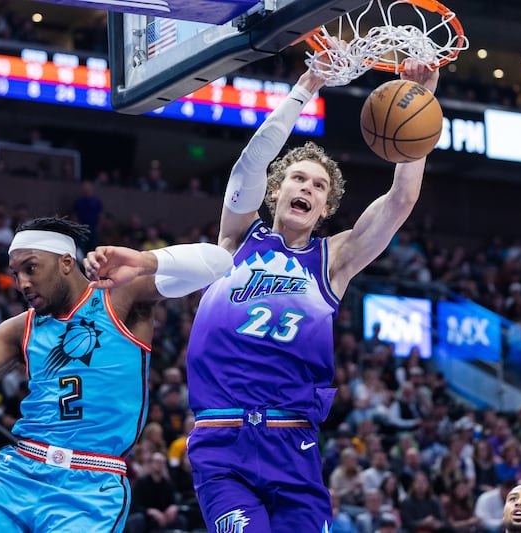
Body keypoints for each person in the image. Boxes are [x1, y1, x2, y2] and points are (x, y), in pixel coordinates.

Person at [184, 58, 438, 532]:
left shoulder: (334, 260)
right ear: (276, 191)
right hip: (223, 442)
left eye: (319, 185)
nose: (308, 187)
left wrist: (421, 102)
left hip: (293, 445)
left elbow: (401, 200)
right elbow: (248, 166)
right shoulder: (237, 238)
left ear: (326, 206)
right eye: (298, 179)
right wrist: (304, 88)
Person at [0, 216, 232, 532]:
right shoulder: (20, 328)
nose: (22, 283)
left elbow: (220, 262)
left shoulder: (119, 296)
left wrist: (141, 260)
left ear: (66, 263)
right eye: (15, 274)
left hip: (90, 485)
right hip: (17, 474)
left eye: (31, 268)